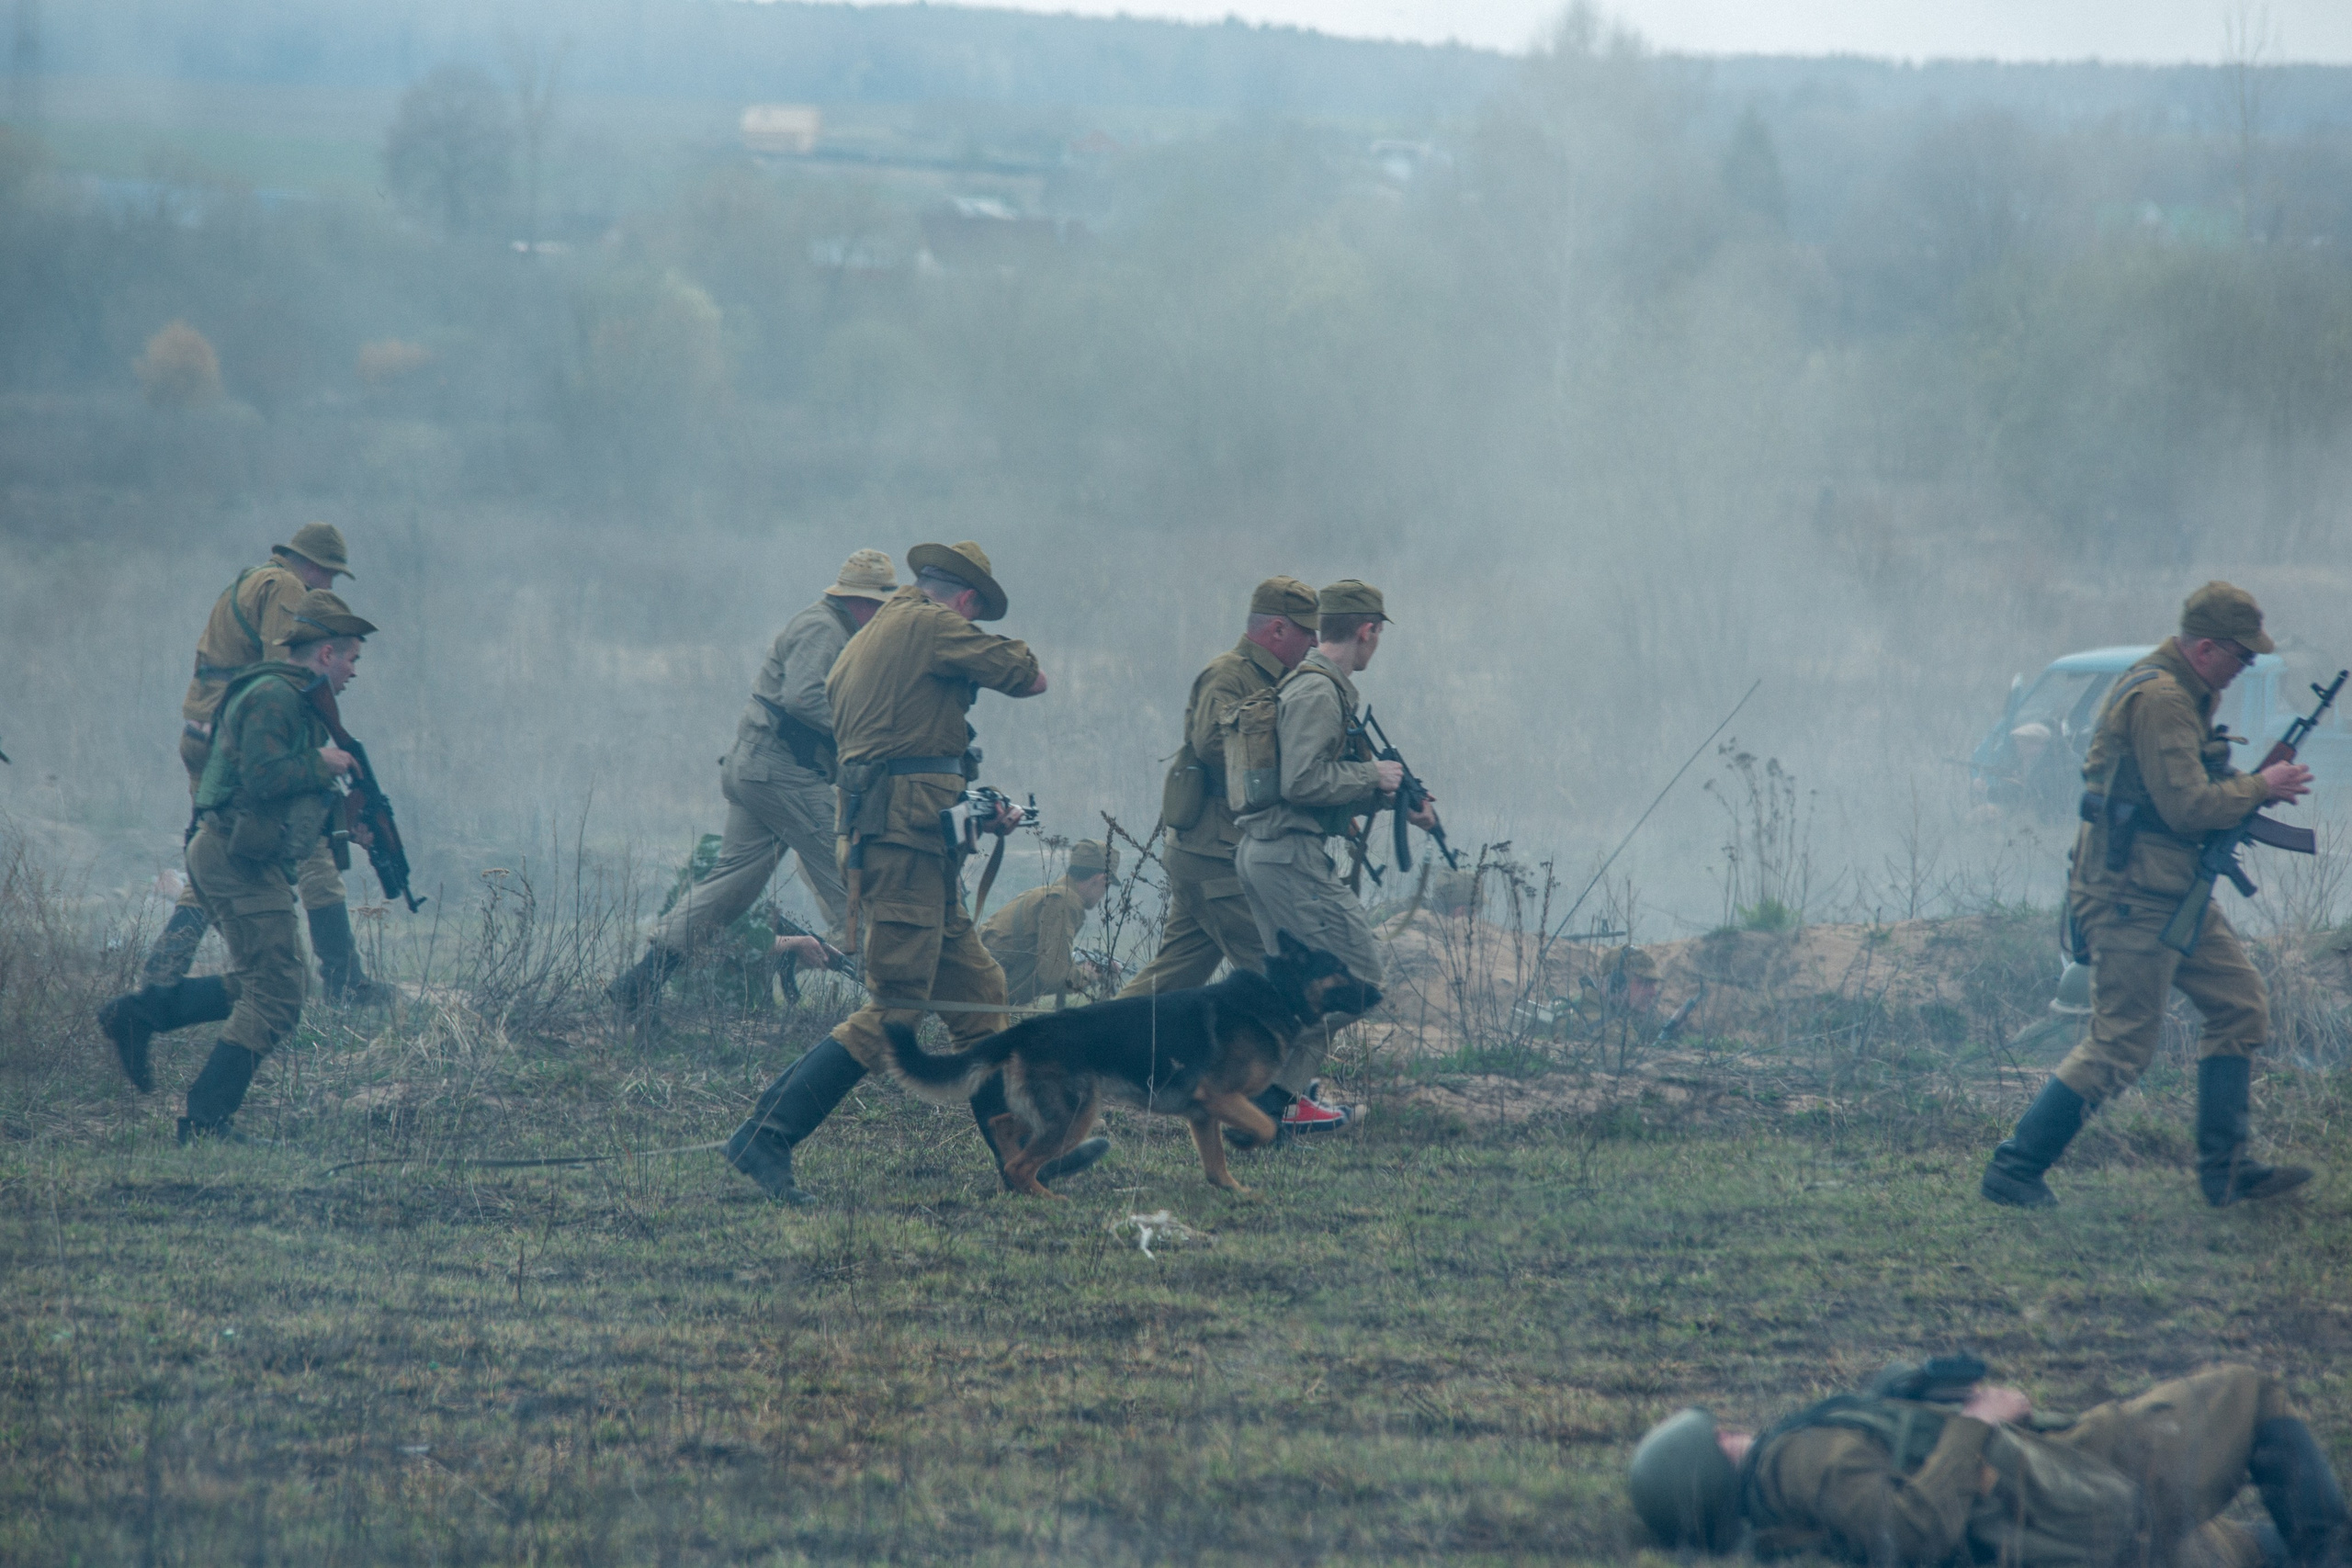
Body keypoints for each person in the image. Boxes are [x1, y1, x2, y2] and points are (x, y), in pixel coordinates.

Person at [718, 541, 1105, 1204]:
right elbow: (1028, 674)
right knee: (895, 1010)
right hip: (903, 849)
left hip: (907, 844)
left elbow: (897, 754)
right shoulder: (929, 623)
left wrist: (970, 810)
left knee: (981, 998)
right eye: (973, 614)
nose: (970, 626)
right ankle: (767, 1135)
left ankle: (1020, 1157)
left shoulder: (868, 642)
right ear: (964, 600)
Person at [1982, 582, 2317, 1211]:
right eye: (2240, 656)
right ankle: (2014, 1169)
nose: (2246, 668)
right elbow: (2188, 807)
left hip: (2169, 888)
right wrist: (2260, 787)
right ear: (2205, 647)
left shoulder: (2187, 694)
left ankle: (2227, 1171)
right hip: (2131, 897)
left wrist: (2245, 782)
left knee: (2240, 1003)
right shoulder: (2161, 699)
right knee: (2121, 1044)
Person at [98, 592, 380, 1143]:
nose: (353, 672)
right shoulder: (276, 696)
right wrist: (318, 763)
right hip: (233, 856)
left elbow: (285, 797)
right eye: (350, 659)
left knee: (271, 980)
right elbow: (263, 779)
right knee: (276, 993)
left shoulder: (294, 699)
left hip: (244, 855)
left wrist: (345, 821)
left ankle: (142, 1013)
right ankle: (204, 1120)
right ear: (325, 653)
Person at [1628, 1357, 2348, 1566]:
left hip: (2057, 1514)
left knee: (2243, 1549)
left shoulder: (1781, 1518)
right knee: (2250, 1395)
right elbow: (1905, 1530)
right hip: (2073, 1500)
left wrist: (1897, 1399)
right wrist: (1976, 1422)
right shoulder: (1793, 1461)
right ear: (1716, 1464)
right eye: (1716, 1435)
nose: (1730, 1429)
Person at [608, 549, 898, 1014]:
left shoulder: (831, 627)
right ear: (861, 602)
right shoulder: (825, 628)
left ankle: (642, 980)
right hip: (782, 773)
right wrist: (865, 735)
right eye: (880, 605)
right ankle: (894, 1006)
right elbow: (803, 699)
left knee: (732, 887)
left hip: (757, 769)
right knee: (847, 872)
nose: (882, 615)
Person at [142, 523, 390, 1005]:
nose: (329, 590)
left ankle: (162, 972)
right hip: (241, 740)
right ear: (316, 567)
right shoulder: (286, 588)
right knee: (315, 844)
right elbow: (293, 669)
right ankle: (345, 984)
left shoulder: (254, 579)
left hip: (206, 729)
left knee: (219, 846)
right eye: (332, 578)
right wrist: (314, 752)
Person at [1230, 579, 1436, 1137]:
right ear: (1367, 631)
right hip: (1288, 857)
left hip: (1271, 852)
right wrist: (1374, 774)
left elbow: (1309, 781)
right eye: (1377, 636)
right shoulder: (1321, 691)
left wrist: (1385, 795)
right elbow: (1301, 782)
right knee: (1358, 979)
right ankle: (1273, 1101)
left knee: (1290, 988)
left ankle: (1253, 1099)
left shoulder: (1309, 684)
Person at [1115, 576, 1318, 1001]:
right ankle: (1283, 1068)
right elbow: (1213, 745)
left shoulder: (1278, 679)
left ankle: (1085, 1051)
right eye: (1306, 631)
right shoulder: (1229, 675)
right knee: (1276, 977)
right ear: (1278, 630)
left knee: (1170, 980)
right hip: (1214, 854)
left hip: (1214, 851)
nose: (1314, 642)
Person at [980, 839, 1116, 1006]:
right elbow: (1053, 975)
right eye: (1107, 885)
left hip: (982, 980)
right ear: (1099, 879)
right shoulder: (1064, 901)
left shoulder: (1052, 893)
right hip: (982, 989)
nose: (1104, 893)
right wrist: (1090, 974)